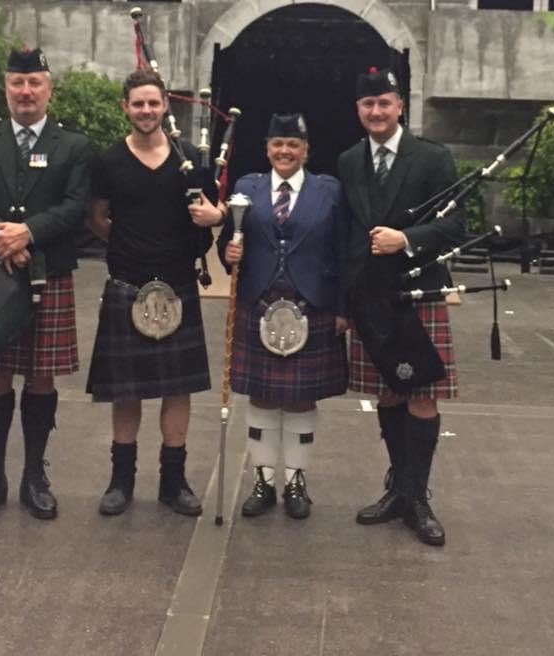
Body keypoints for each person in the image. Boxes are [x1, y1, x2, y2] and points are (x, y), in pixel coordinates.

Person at [0, 46, 93, 522]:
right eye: (17, 82)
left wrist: (28, 234)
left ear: (48, 88)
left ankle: (35, 476)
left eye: (34, 83)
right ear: (6, 87)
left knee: (40, 374)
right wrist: (2, 241)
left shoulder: (73, 145)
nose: (25, 91)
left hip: (46, 271)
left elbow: (75, 207)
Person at [86, 69, 224, 517]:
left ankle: (173, 482)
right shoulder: (109, 161)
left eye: (153, 103)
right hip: (127, 283)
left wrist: (217, 217)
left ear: (165, 105)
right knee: (126, 392)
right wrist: (131, 247)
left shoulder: (190, 160)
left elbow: (212, 212)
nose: (146, 111)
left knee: (177, 389)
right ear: (125, 108)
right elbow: (97, 217)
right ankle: (120, 481)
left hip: (178, 283)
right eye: (137, 104)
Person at [337, 68, 466, 546]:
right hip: (370, 297)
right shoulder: (349, 161)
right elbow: (347, 235)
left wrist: (406, 238)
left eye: (384, 103)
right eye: (367, 104)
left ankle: (417, 498)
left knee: (421, 396)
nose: (376, 112)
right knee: (389, 394)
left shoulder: (432, 158)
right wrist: (344, 300)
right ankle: (398, 490)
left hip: (418, 292)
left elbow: (457, 226)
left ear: (400, 106)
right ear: (358, 110)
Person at [220, 113, 349, 520]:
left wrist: (343, 307)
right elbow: (228, 242)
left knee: (300, 398)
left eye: (293, 144)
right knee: (260, 394)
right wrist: (229, 253)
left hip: (312, 304)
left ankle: (295, 480)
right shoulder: (247, 188)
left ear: (306, 150)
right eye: (278, 144)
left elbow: (344, 250)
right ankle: (263, 480)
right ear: (267, 148)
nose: (285, 151)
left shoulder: (329, 191)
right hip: (258, 302)